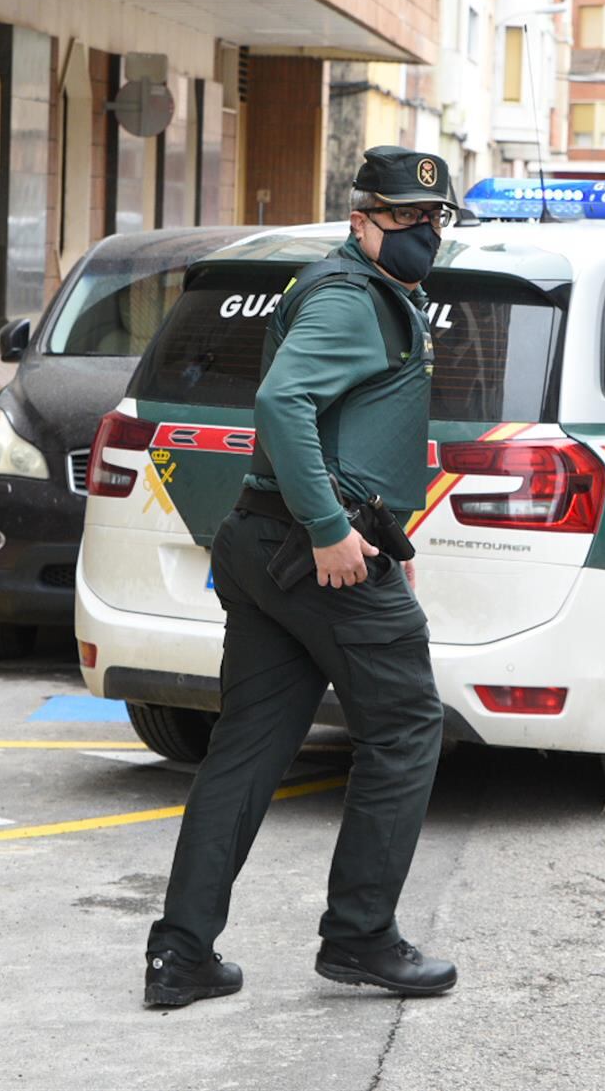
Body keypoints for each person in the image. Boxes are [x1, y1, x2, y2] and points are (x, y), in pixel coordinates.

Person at [143, 145, 457, 1008]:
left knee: (246, 749)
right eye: (406, 218)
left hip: (267, 539)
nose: (425, 232)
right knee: (405, 729)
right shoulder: (355, 299)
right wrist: (330, 531)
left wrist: (377, 537)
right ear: (362, 220)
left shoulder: (355, 289)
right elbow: (283, 404)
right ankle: (360, 937)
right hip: (316, 547)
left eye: (436, 218)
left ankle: (182, 954)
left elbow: (346, 423)